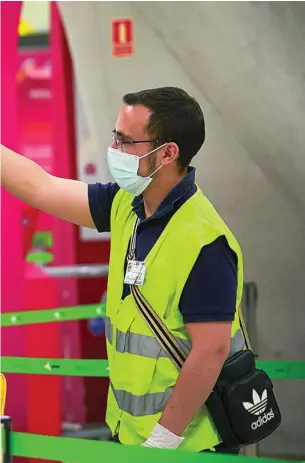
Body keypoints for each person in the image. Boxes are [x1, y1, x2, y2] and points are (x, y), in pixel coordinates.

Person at [1, 86, 245, 454]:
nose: (114, 149)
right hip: (131, 435)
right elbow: (41, 187)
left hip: (188, 445)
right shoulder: (126, 205)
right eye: (114, 136)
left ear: (167, 153)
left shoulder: (205, 242)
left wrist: (163, 440)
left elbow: (211, 351)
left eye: (126, 141)